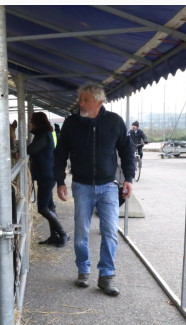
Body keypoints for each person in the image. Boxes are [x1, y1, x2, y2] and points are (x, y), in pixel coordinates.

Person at [54, 83, 135, 296]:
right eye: (80, 99)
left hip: (108, 186)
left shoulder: (114, 122)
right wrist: (60, 181)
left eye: (85, 100)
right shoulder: (71, 123)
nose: (80, 103)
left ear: (99, 102)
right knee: (81, 232)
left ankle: (106, 276)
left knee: (110, 232)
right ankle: (83, 270)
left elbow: (127, 151)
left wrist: (129, 178)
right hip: (81, 186)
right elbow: (60, 153)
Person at [27, 111, 69, 247]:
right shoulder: (43, 134)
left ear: (36, 123)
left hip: (46, 175)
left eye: (31, 121)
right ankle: (54, 235)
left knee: (43, 208)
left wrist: (19, 150)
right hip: (46, 174)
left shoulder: (43, 135)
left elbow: (31, 150)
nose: (29, 123)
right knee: (50, 206)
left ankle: (63, 234)